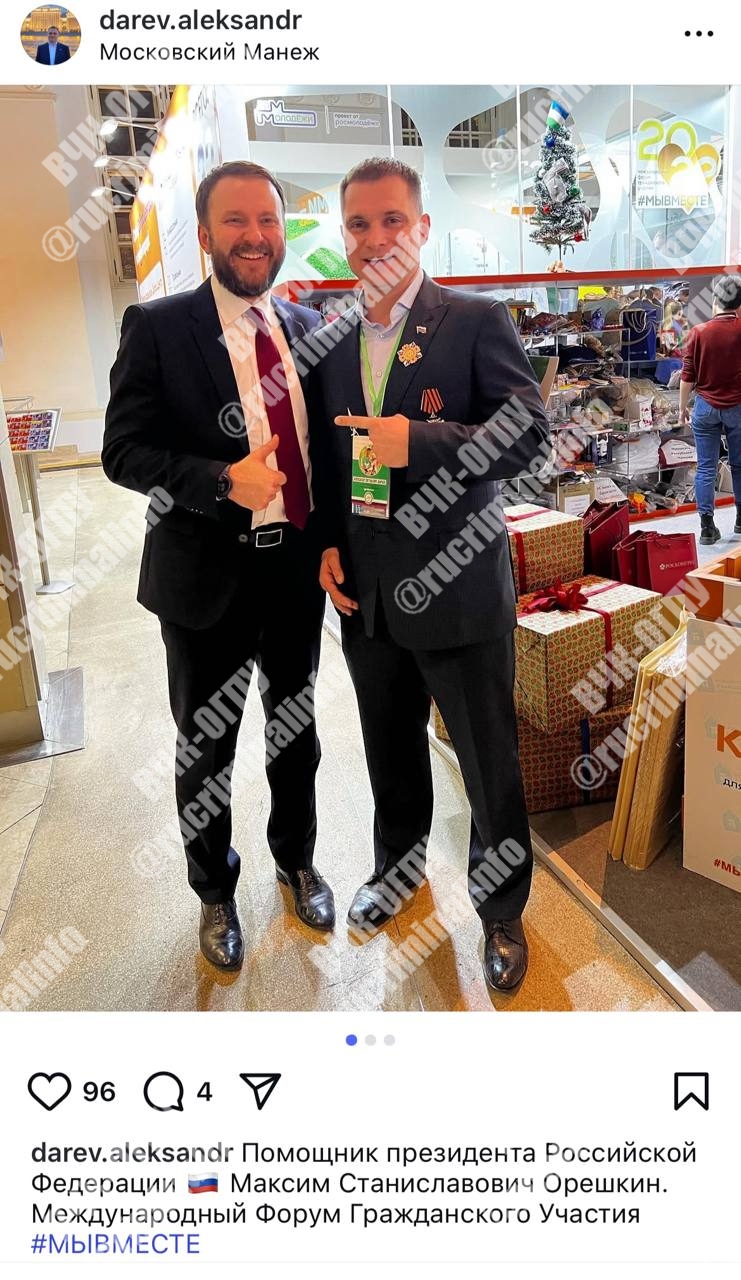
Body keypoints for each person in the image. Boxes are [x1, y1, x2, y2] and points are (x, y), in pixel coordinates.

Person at [315, 157, 551, 993]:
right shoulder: (331, 338)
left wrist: (413, 442)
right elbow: (328, 459)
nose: (375, 238)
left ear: (420, 227)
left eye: (391, 220)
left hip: (456, 585)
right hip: (366, 591)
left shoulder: (475, 320)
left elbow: (527, 437)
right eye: (358, 224)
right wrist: (325, 540)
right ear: (344, 236)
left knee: (487, 763)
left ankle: (501, 909)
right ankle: (396, 869)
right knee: (388, 747)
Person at [103, 161, 336, 970]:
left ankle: (297, 861)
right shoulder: (159, 327)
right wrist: (219, 481)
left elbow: (321, 450)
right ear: (204, 234)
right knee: (206, 748)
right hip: (203, 580)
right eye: (235, 221)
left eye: (267, 220)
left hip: (292, 573)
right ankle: (213, 890)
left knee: (296, 731)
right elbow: (122, 451)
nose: (254, 236)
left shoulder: (306, 327)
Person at [680, 274, 741, 545]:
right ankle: (740, 521)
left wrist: (682, 407)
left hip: (704, 407)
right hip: (738, 406)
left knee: (706, 467)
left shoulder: (698, 332)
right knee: (739, 465)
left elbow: (687, 376)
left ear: (715, 300)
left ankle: (706, 527)